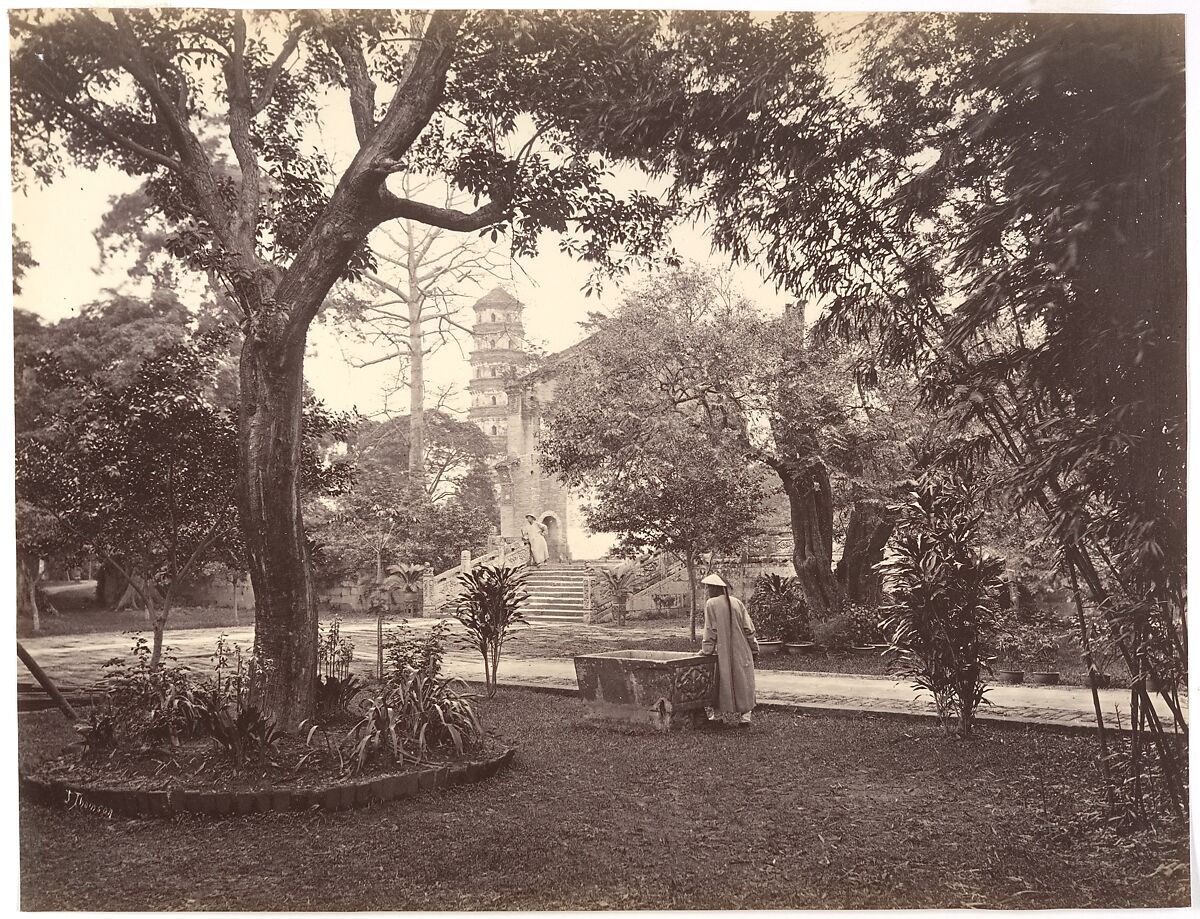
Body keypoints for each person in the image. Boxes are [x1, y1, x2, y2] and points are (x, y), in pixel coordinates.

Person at [699, 573, 759, 727]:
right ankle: (745, 717)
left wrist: (706, 650)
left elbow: (710, 630)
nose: (707, 590)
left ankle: (718, 716)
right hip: (742, 648)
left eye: (709, 588)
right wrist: (754, 648)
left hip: (722, 651)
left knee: (720, 681)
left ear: (715, 588)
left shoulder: (711, 604)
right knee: (743, 681)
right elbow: (749, 629)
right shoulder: (737, 602)